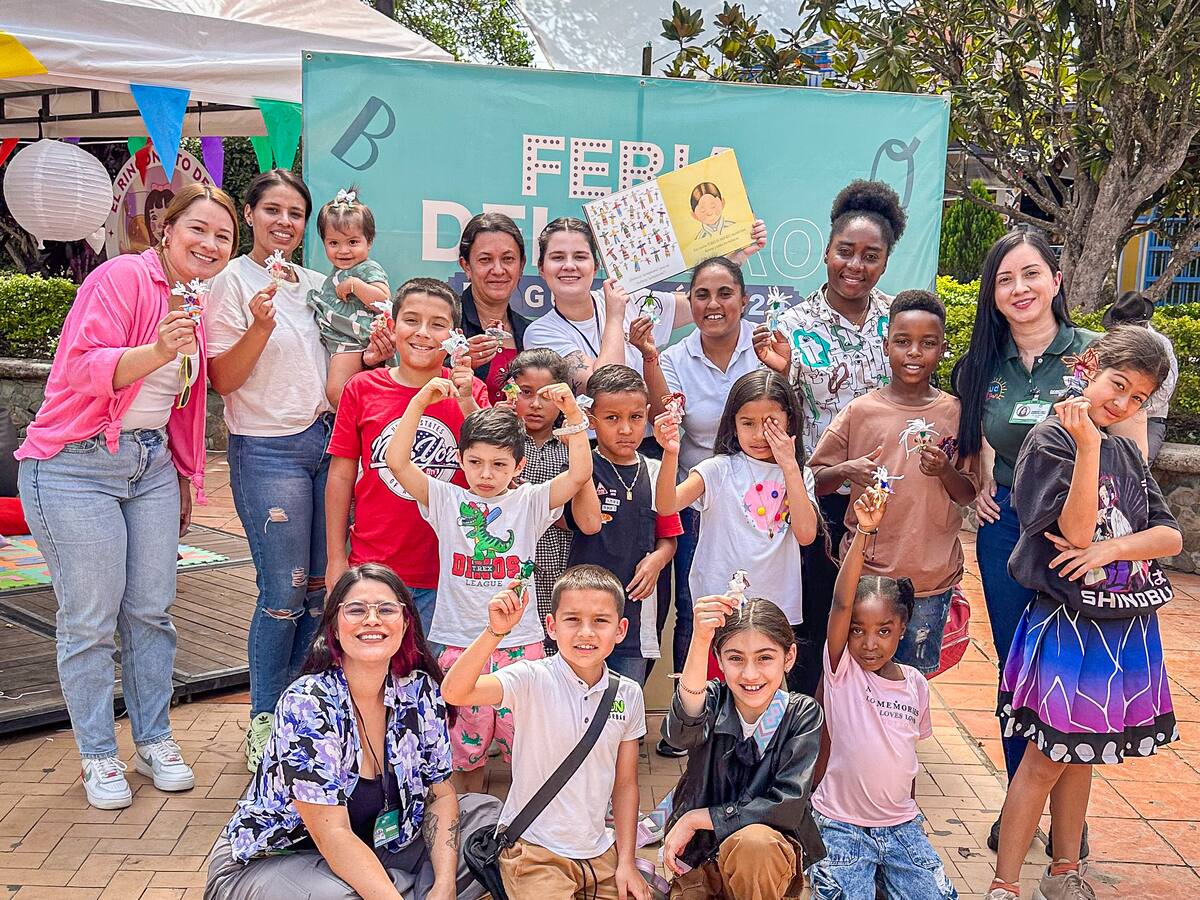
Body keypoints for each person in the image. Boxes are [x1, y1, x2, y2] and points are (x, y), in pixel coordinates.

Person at [16, 183, 239, 809]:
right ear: (166, 230)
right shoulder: (121, 278)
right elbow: (81, 368)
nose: (210, 243)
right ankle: (97, 754)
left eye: (223, 236)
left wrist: (186, 479)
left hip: (149, 466)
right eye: (198, 229)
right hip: (73, 465)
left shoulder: (198, 299)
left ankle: (154, 738)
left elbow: (185, 405)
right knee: (89, 619)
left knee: (151, 611)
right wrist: (158, 349)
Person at [951, 232, 1136, 850]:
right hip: (1009, 534)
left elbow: (1133, 452)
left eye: (1031, 274)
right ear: (993, 294)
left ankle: (1069, 824)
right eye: (1005, 280)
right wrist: (977, 485)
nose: (1019, 289)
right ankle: (1018, 806)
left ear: (1056, 280)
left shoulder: (1095, 357)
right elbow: (975, 449)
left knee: (1073, 675)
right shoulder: (981, 363)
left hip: (1082, 541)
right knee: (1019, 674)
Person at [206, 169, 393, 771]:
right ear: (251, 215)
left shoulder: (321, 282)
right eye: (272, 211)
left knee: (321, 594)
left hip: (327, 443)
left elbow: (344, 359)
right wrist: (260, 324)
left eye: (294, 213)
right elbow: (223, 380)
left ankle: (300, 713)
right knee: (282, 591)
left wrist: (375, 354)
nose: (283, 222)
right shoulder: (229, 280)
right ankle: (264, 719)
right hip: (267, 447)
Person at [986, 326, 1181, 900]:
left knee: (1083, 753)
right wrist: (1090, 447)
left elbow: (1168, 535)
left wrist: (1113, 547)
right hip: (1068, 627)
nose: (1121, 404)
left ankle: (1065, 870)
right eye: (1117, 386)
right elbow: (1069, 530)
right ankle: (1005, 883)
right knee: (1046, 760)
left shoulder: (1124, 449)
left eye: (1137, 399)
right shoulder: (1051, 442)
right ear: (1090, 366)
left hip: (1119, 626)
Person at [204, 563, 500, 900]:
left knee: (491, 822)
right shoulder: (309, 703)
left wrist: (444, 885)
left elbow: (441, 795)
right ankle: (397, 889)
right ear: (334, 627)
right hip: (279, 860)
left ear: (405, 624)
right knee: (343, 896)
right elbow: (334, 836)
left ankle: (406, 888)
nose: (372, 619)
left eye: (386, 609)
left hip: (381, 845)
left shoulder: (419, 691)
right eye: (356, 610)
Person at [385, 384, 592, 793]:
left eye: (499, 464)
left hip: (523, 644)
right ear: (460, 460)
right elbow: (396, 461)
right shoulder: (445, 499)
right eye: (475, 462)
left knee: (526, 741)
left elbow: (579, 474)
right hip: (460, 644)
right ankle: (470, 815)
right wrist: (418, 403)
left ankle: (526, 821)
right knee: (466, 745)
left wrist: (572, 414)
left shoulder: (530, 502)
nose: (485, 474)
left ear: (519, 466)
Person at [752, 179, 907, 693]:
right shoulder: (790, 326)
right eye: (845, 252)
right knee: (816, 623)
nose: (855, 266)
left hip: (889, 508)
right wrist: (783, 372)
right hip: (816, 504)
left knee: (876, 627)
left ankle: (867, 735)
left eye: (870, 255)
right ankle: (805, 736)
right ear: (826, 252)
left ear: (885, 262)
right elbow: (778, 419)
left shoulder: (898, 323)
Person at [441, 565, 651, 900]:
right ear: (551, 626)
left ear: (620, 629)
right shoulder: (531, 678)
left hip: (599, 853)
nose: (586, 632)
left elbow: (625, 785)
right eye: (572, 620)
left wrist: (625, 861)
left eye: (600, 621)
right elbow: (454, 692)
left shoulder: (628, 693)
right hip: (536, 851)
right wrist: (495, 633)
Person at [809, 291, 978, 674]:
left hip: (931, 580)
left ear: (943, 348)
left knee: (912, 684)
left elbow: (968, 492)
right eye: (903, 341)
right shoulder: (861, 411)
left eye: (928, 343)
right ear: (886, 345)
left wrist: (945, 471)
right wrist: (847, 471)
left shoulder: (956, 413)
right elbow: (814, 479)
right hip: (869, 575)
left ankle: (903, 738)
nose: (914, 352)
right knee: (859, 679)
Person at [806, 491, 958, 900]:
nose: (869, 643)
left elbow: (907, 760)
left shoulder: (915, 684)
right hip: (840, 823)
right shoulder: (842, 671)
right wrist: (864, 533)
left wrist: (910, 815)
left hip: (901, 825)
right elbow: (840, 601)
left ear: (903, 629)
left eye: (883, 630)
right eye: (857, 629)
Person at [326, 278, 490, 637]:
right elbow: (340, 475)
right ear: (392, 324)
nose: (423, 334)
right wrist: (336, 557)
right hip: (374, 568)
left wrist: (465, 399)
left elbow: (491, 467)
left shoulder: (471, 391)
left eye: (437, 324)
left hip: (450, 573)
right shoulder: (362, 388)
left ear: (454, 335)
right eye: (411, 320)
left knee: (439, 682)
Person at [653, 370, 820, 690]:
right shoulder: (718, 469)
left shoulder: (799, 475)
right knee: (716, 697)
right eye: (747, 423)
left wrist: (789, 466)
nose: (759, 434)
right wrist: (671, 453)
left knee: (763, 696)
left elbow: (806, 534)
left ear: (790, 421)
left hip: (774, 612)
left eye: (771, 422)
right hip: (720, 609)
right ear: (733, 422)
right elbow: (667, 504)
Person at [660, 595, 825, 899]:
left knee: (754, 843)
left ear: (788, 657)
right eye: (735, 658)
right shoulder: (711, 699)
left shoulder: (801, 714)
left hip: (763, 864)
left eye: (765, 658)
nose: (750, 674)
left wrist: (698, 818)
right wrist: (700, 637)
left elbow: (785, 805)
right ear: (719, 659)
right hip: (703, 861)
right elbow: (678, 734)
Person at [656, 256, 762, 678]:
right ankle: (690, 721)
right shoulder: (674, 359)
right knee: (694, 608)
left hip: (759, 504)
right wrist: (648, 358)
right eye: (702, 294)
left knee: (758, 608)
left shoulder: (767, 348)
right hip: (694, 503)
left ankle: (752, 714)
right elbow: (667, 422)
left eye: (724, 293)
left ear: (744, 300)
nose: (713, 304)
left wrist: (781, 369)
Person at [568, 365, 683, 685]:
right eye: (612, 418)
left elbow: (668, 535)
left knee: (625, 706)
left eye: (634, 417)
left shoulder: (657, 470)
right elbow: (577, 524)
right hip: (584, 616)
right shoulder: (581, 469)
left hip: (637, 615)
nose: (625, 429)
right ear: (591, 420)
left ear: (647, 414)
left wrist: (658, 560)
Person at [504, 348, 574, 645]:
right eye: (525, 392)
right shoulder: (504, 447)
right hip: (516, 566)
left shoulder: (570, 445)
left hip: (564, 562)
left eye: (546, 396)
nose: (535, 404)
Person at [307, 188, 392, 406]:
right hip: (340, 338)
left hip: (353, 339)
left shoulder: (367, 268)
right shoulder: (336, 272)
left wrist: (356, 285)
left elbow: (383, 299)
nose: (343, 250)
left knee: (337, 392)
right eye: (334, 243)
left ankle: (359, 423)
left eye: (353, 242)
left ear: (369, 241)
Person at [456, 212, 530, 404]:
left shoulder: (530, 333)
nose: (498, 270)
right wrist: (455, 364)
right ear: (466, 266)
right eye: (485, 260)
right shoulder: (444, 322)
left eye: (508, 259)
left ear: (521, 265)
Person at [1101, 291, 1178, 463]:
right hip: (1109, 411)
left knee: (1137, 462)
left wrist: (1132, 407)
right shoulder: (1111, 340)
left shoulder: (1161, 344)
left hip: (1149, 415)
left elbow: (1165, 390)